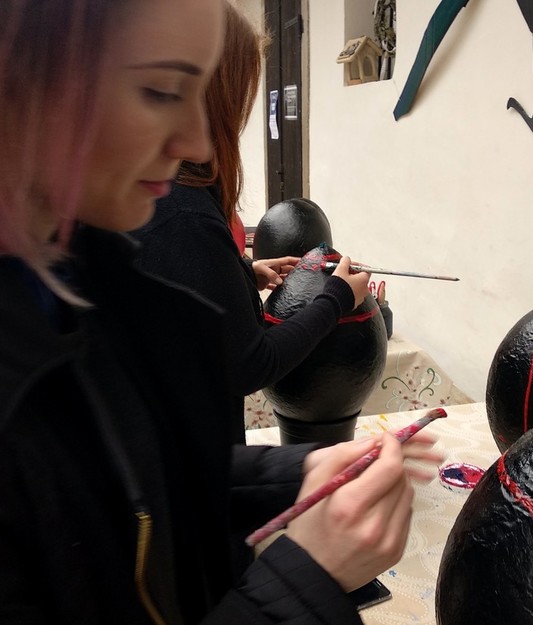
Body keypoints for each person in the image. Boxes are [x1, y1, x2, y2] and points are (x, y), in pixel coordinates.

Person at [0, 1, 437, 622]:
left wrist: (295, 470)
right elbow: (248, 363)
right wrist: (304, 581)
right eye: (159, 90)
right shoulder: (172, 222)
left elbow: (125, 474)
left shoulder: (79, 274)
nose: (198, 141)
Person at [130, 3, 369, 443]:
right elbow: (250, 364)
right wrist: (336, 299)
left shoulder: (167, 203)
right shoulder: (182, 213)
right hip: (189, 450)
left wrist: (240, 275)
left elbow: (177, 304)